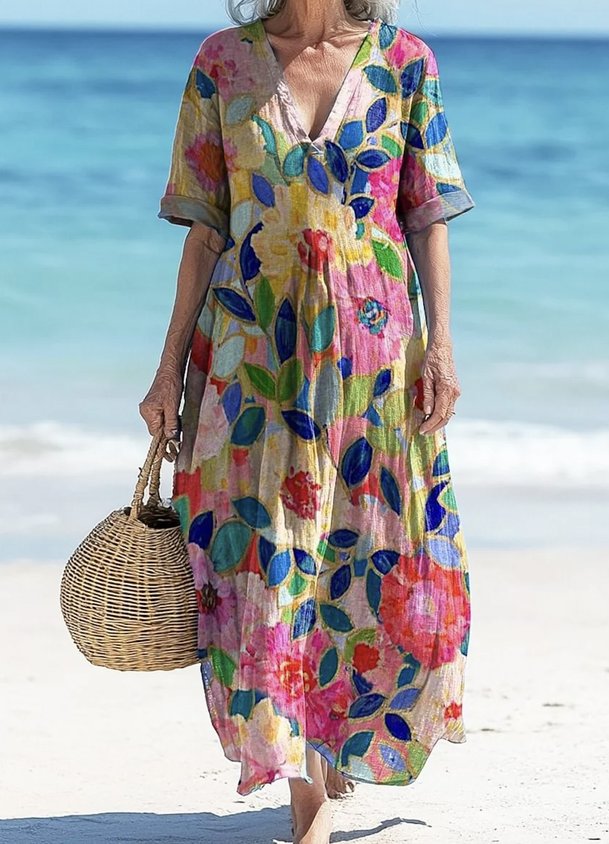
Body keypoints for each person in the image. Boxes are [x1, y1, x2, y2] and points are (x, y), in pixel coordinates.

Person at [139, 1, 475, 841]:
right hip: (253, 353)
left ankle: (335, 736)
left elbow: (426, 216)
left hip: (374, 357)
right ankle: (308, 798)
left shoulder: (405, 63)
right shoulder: (223, 63)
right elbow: (203, 230)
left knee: (362, 553)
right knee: (270, 559)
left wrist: (440, 348)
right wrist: (168, 366)